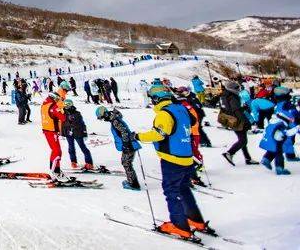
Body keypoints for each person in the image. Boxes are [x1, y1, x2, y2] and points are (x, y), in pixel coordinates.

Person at [135, 84, 210, 240]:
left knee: (171, 191)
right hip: (186, 157)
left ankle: (180, 225)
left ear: (156, 99)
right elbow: (193, 119)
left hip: (172, 159)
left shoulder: (164, 113)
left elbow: (159, 134)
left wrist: (138, 136)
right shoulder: (180, 108)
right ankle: (195, 219)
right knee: (183, 188)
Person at [96, 105, 141, 190]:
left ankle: (133, 184)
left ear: (105, 114)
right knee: (126, 162)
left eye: (102, 118)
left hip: (129, 145)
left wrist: (126, 145)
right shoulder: (114, 119)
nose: (103, 120)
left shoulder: (115, 121)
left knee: (126, 163)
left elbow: (124, 132)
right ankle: (132, 181)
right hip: (128, 144)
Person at [218, 81, 257, 166]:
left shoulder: (224, 95)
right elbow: (236, 110)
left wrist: (242, 108)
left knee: (243, 140)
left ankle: (248, 158)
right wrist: (246, 121)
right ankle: (229, 153)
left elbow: (229, 108)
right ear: (231, 88)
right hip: (237, 121)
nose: (239, 89)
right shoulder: (232, 96)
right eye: (237, 88)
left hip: (230, 119)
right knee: (243, 140)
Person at [260, 102, 298, 175]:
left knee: (273, 148)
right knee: (279, 152)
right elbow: (287, 132)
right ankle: (279, 168)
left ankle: (266, 159)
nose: (292, 120)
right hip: (277, 137)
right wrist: (296, 129)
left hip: (271, 136)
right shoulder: (282, 123)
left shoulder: (277, 118)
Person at [62, 99, 94, 170]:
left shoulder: (77, 114)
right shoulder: (63, 113)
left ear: (71, 105)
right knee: (71, 147)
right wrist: (63, 133)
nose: (66, 107)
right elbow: (63, 124)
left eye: (67, 105)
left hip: (78, 133)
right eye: (65, 105)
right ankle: (73, 161)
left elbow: (82, 124)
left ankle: (89, 162)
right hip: (68, 133)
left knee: (83, 147)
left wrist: (85, 133)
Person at [41, 92, 66, 176]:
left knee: (56, 150)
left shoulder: (44, 105)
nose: (57, 101)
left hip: (47, 130)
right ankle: (54, 170)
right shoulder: (53, 106)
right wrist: (63, 110)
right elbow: (62, 118)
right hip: (52, 131)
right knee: (57, 151)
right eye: (56, 99)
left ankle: (55, 168)